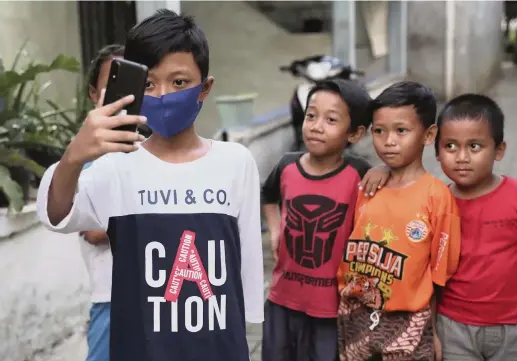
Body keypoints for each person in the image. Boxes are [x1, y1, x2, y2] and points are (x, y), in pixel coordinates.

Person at [36, 10, 264, 361]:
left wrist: (247, 336)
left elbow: (246, 263)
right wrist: (73, 157)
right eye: (149, 84)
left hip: (218, 347)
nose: (162, 95)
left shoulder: (236, 162)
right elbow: (57, 215)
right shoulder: (116, 167)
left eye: (178, 82)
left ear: (205, 88)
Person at [261, 78, 390, 361]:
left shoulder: (360, 173)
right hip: (282, 300)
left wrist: (385, 169)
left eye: (331, 120)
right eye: (311, 115)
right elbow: (268, 195)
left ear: (354, 134)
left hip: (332, 308)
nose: (316, 126)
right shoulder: (286, 166)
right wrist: (275, 231)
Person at [337, 81, 461, 361]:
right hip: (354, 312)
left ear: (429, 135)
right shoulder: (368, 187)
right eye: (379, 131)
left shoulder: (437, 197)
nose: (388, 140)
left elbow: (440, 275)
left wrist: (434, 331)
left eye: (401, 130)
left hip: (408, 320)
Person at [435, 94, 517, 361]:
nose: (462, 157)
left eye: (475, 146)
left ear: (499, 150)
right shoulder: (436, 201)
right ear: (437, 152)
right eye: (450, 146)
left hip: (516, 328)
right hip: (453, 327)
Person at [79, 43, 124, 361]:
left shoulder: (155, 150)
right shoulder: (89, 158)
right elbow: (94, 231)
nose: (124, 97)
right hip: (113, 301)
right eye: (113, 86)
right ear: (94, 94)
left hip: (161, 297)